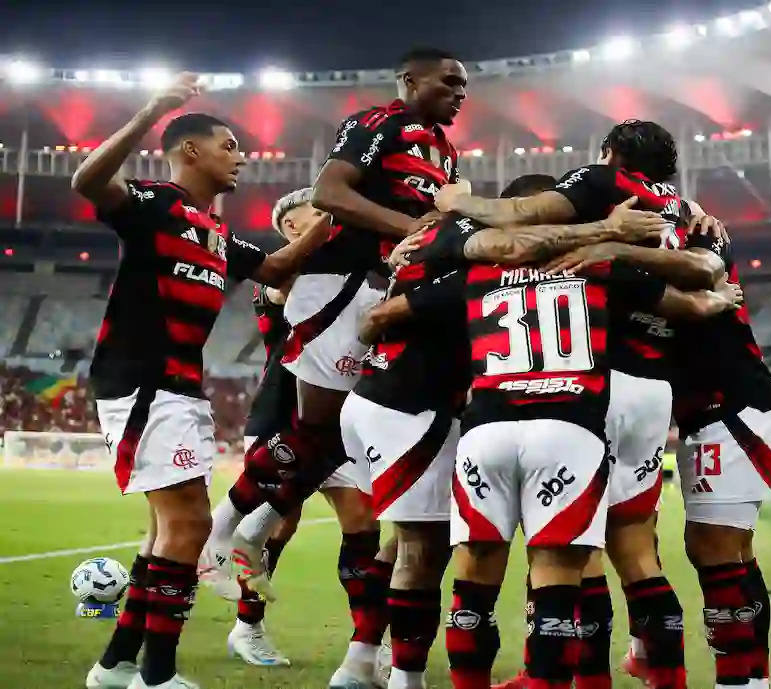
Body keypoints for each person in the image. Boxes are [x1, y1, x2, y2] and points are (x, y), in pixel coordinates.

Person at [431, 120, 726, 689]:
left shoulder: (598, 195)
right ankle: (668, 676)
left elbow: (525, 215)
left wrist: (458, 203)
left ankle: (574, 678)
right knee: (637, 549)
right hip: (653, 387)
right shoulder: (676, 211)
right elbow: (697, 282)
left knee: (573, 551)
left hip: (590, 381)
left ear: (610, 154)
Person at [364, 174, 677, 689]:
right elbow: (691, 300)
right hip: (568, 430)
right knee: (559, 577)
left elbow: (380, 317)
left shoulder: (472, 269)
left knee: (473, 582)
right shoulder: (595, 264)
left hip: (485, 431)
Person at [73, 74, 333, 689]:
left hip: (179, 385)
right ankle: (157, 675)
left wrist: (330, 220)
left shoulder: (217, 233)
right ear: (190, 150)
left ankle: (116, 666)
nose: (240, 156)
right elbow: (87, 181)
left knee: (166, 530)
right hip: (142, 381)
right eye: (229, 145)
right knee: (189, 526)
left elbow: (276, 267)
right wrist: (152, 109)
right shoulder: (154, 204)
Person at [202, 47, 466, 603]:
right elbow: (329, 192)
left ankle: (246, 533)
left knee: (331, 438)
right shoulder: (378, 123)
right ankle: (221, 536)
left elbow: (433, 219)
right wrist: (409, 230)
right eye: (448, 82)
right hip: (337, 283)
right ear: (410, 80)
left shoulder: (445, 150)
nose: (459, 93)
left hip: (380, 285)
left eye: (463, 85)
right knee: (315, 432)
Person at [222, 189, 397, 687]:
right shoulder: (281, 277)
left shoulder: (355, 275)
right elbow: (281, 290)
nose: (327, 222)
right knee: (280, 524)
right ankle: (247, 626)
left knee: (362, 523)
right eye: (315, 216)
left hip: (343, 425)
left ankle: (370, 642)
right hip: (284, 416)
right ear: (290, 229)